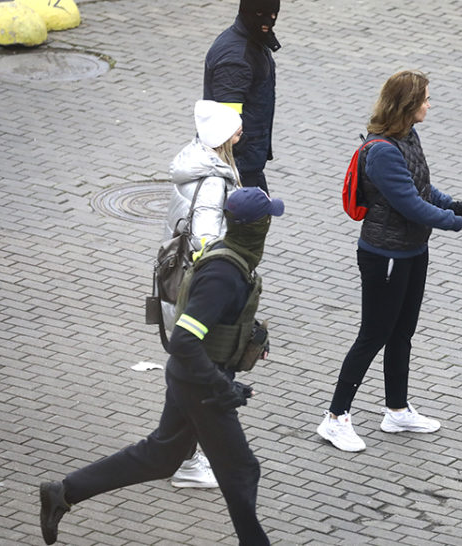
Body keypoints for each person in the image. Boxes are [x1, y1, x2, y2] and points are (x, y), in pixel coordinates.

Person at [39, 187, 284, 546]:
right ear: (257, 227)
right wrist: (221, 386)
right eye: (267, 221)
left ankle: (62, 493)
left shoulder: (229, 257)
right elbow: (185, 339)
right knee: (242, 470)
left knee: (161, 456)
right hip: (202, 387)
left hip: (193, 379)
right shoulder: (224, 274)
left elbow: (207, 325)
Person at [316, 70, 462, 452]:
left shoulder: (407, 136)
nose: (430, 104)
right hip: (385, 257)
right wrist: (458, 223)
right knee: (373, 335)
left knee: (402, 333)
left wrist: (459, 205)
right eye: (426, 99)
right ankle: (335, 418)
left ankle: (397, 410)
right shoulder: (381, 151)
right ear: (409, 105)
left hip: (413, 251)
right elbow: (410, 204)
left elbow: (423, 188)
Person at [161, 99, 243, 489]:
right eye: (235, 130)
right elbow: (207, 240)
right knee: (198, 374)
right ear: (221, 138)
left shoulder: (195, 159)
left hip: (178, 284)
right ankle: (187, 462)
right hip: (198, 292)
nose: (241, 134)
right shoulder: (213, 180)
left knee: (186, 376)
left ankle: (182, 456)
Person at [203, 0, 281, 194]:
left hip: (247, 162)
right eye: (261, 14)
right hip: (237, 166)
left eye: (273, 15)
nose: (268, 22)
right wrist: (245, 148)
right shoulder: (236, 58)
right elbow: (228, 119)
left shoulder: (253, 41)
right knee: (249, 221)